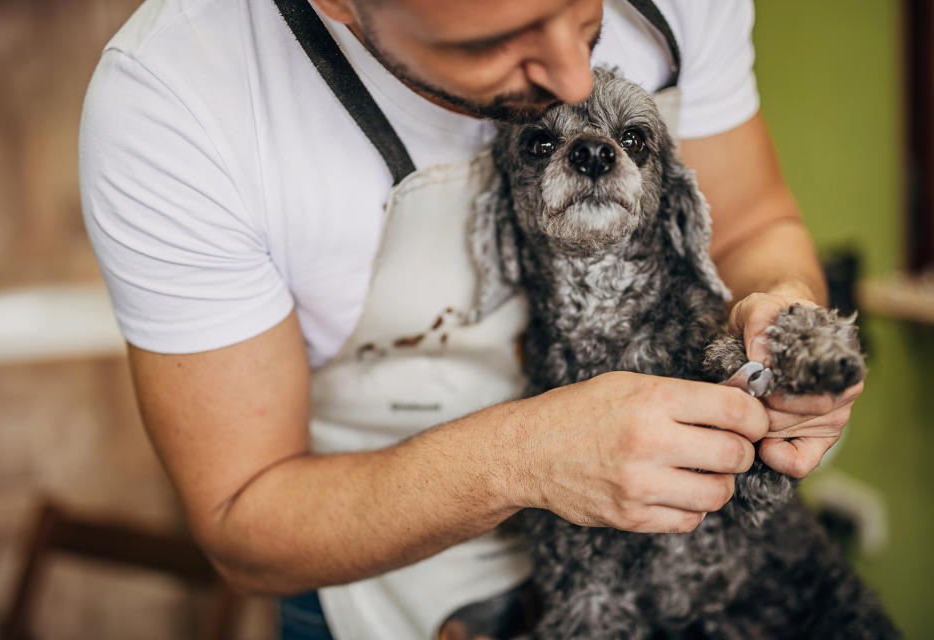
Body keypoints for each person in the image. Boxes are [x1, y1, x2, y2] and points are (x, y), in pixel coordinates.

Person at [79, 0, 863, 637]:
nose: (572, 72)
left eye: (587, 15)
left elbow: (753, 227)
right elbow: (241, 524)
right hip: (386, 590)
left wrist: (785, 311)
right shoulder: (177, 101)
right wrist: (526, 456)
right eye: (501, 40)